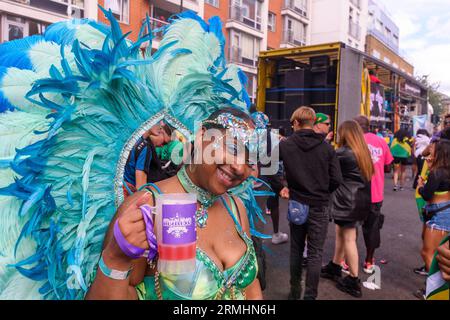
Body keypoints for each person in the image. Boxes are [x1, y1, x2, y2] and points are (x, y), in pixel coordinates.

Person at [86, 108, 264, 300]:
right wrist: (116, 258)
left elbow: (251, 291)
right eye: (232, 149)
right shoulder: (150, 206)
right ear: (202, 135)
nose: (239, 167)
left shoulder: (236, 208)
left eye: (250, 161)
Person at [279, 106, 343, 300]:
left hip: (298, 202)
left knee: (296, 250)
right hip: (320, 205)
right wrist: (322, 190)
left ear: (297, 123)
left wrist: (285, 187)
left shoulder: (286, 145)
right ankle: (310, 296)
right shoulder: (326, 148)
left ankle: (294, 291)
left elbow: (271, 168)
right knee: (315, 253)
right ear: (313, 122)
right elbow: (337, 179)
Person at [321, 120, 374, 298]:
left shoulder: (343, 153)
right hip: (359, 200)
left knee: (349, 239)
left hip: (346, 202)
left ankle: (353, 280)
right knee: (342, 234)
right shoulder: (363, 152)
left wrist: (325, 142)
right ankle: (335, 266)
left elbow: (326, 165)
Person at [354, 115, 393, 274]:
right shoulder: (381, 142)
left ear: (356, 127)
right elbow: (388, 167)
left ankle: (346, 260)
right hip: (375, 195)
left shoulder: (353, 141)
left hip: (354, 193)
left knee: (350, 227)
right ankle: (369, 261)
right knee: (372, 228)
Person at [251, 112, 289, 245]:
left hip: (249, 179)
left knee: (250, 210)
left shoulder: (245, 135)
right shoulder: (272, 136)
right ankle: (275, 233)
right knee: (272, 206)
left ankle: (250, 239)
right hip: (269, 178)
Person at [123, 124, 167, 196]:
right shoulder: (144, 147)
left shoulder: (130, 140)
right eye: (158, 120)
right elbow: (140, 187)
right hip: (130, 196)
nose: (161, 125)